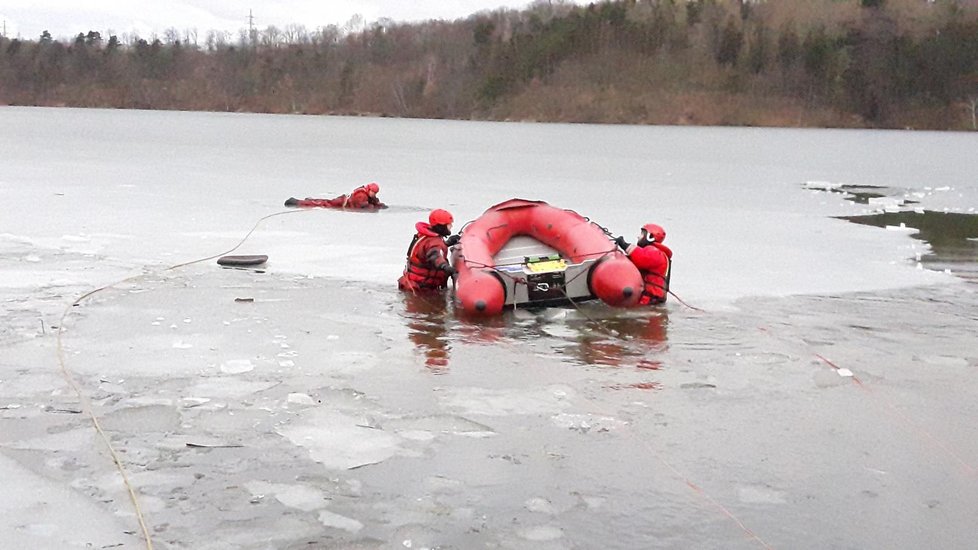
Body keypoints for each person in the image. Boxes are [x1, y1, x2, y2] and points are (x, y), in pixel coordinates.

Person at [398, 209, 457, 292]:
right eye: (449, 224)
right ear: (441, 226)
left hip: (414, 283)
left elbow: (428, 249)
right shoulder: (433, 242)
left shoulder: (426, 236)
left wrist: (447, 243)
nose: (451, 226)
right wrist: (445, 267)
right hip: (421, 288)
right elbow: (434, 256)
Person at [614, 223, 672, 305]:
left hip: (651, 299)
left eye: (641, 234)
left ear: (650, 237)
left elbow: (641, 258)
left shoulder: (655, 253)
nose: (638, 237)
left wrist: (624, 244)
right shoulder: (656, 253)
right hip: (651, 299)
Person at [285, 182, 385, 209]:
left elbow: (374, 202)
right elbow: (361, 206)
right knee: (324, 204)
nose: (374, 194)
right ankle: (298, 203)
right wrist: (373, 207)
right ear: (370, 190)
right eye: (373, 192)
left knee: (326, 202)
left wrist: (379, 205)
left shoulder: (368, 195)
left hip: (343, 201)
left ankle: (309, 200)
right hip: (342, 203)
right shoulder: (361, 195)